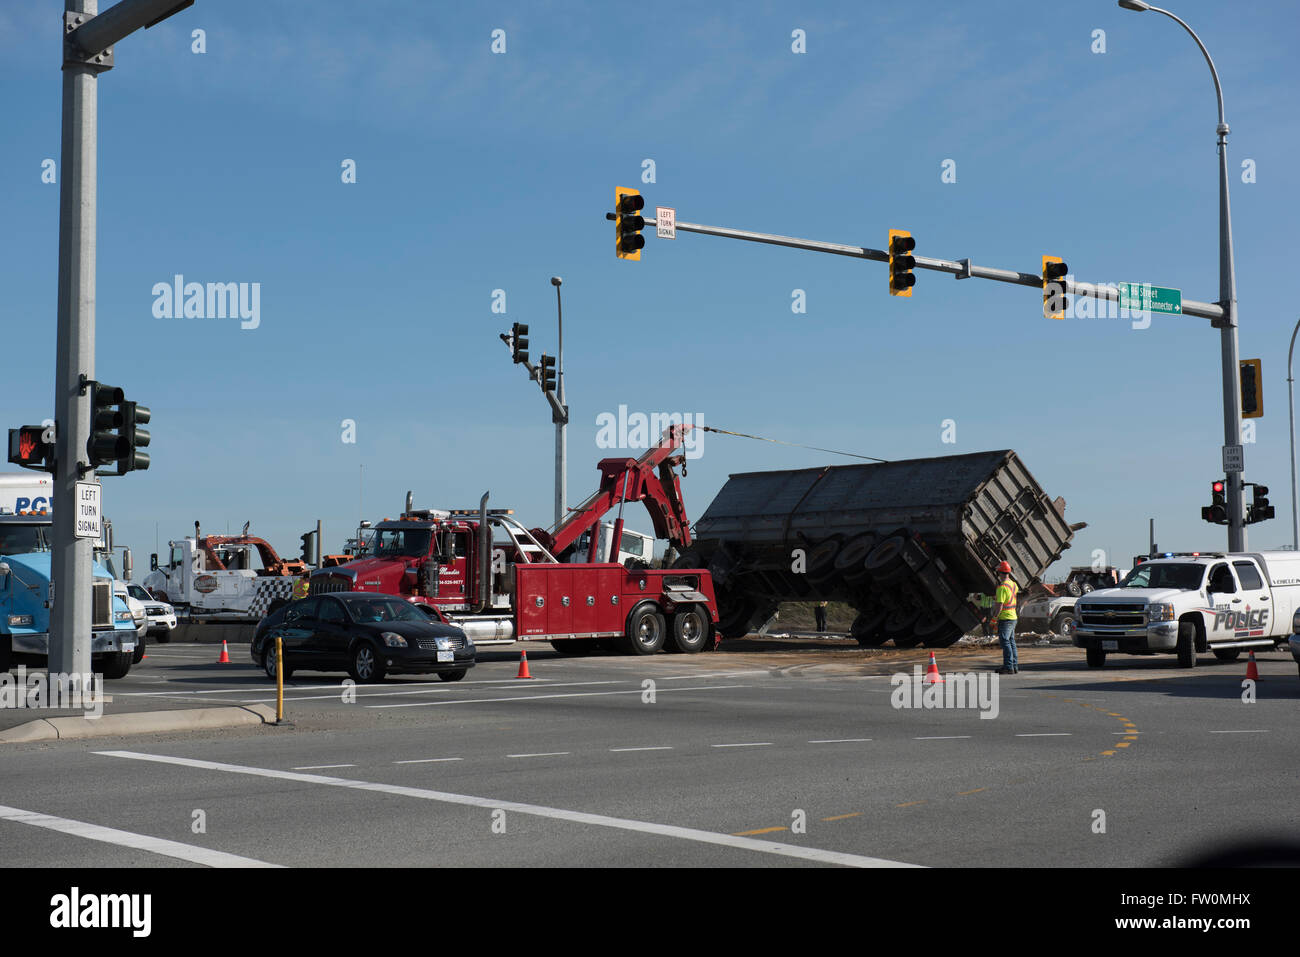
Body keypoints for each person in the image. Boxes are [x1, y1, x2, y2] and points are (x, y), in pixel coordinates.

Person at [990, 561, 1019, 674]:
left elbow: (1000, 605)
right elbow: (1010, 598)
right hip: (1013, 617)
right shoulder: (1013, 584)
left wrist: (994, 618)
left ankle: (1008, 667)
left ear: (1000, 573)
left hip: (1005, 618)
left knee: (1005, 641)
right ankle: (1014, 666)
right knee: (1011, 641)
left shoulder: (1001, 587)